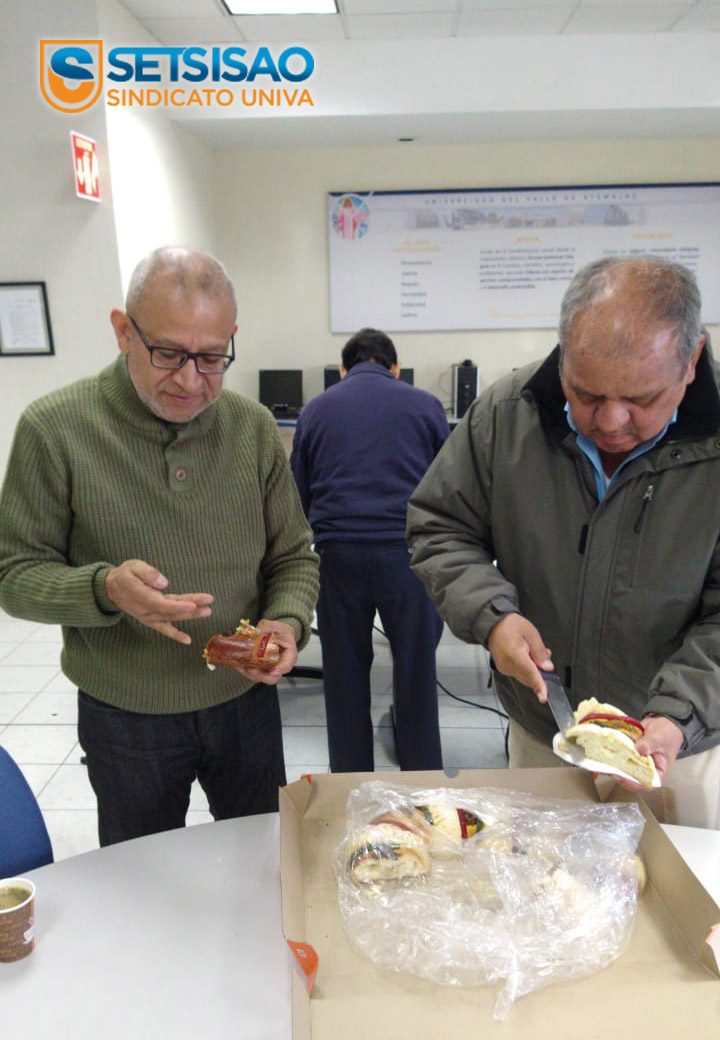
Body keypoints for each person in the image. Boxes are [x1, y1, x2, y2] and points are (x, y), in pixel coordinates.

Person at [0, 246, 319, 846]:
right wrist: (103, 589)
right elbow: (14, 575)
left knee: (264, 860)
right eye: (168, 354)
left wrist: (286, 621)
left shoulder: (251, 428)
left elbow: (293, 556)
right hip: (126, 715)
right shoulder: (55, 429)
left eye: (211, 357)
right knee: (139, 877)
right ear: (124, 331)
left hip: (243, 700)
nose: (191, 380)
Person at [407, 255, 720, 828]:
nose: (610, 420)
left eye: (641, 399)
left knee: (682, 904)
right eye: (586, 393)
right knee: (540, 898)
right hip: (545, 732)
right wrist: (493, 616)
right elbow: (440, 526)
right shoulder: (506, 413)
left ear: (691, 360)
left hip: (685, 750)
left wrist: (679, 715)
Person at [290, 328, 450, 771]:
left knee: (344, 681)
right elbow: (449, 488)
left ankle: (351, 790)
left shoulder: (316, 410)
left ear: (342, 370)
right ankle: (422, 794)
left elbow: (297, 498)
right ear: (395, 368)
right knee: (416, 676)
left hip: (338, 557)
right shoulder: (427, 406)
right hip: (409, 558)